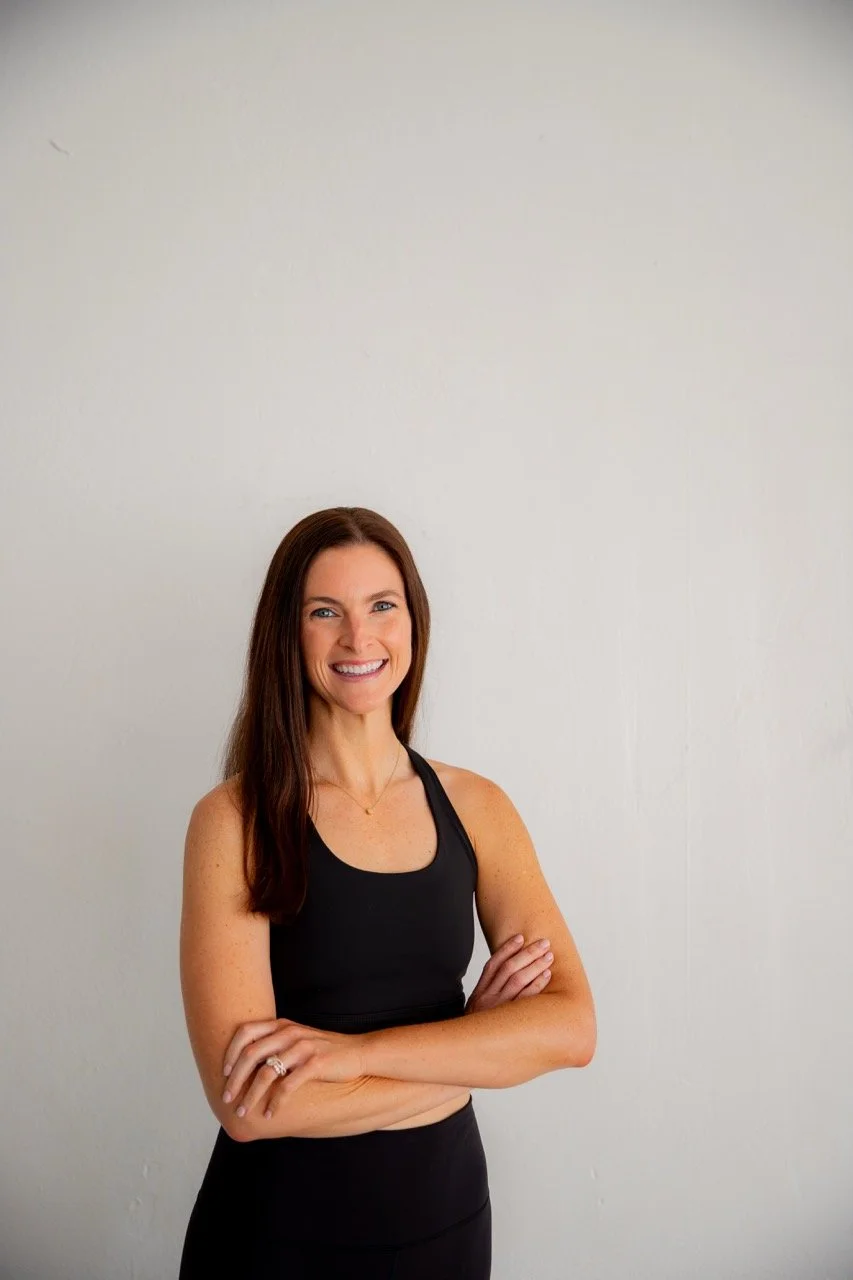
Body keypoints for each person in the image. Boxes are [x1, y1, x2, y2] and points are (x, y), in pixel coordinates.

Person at [178, 506, 596, 1278]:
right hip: (277, 1236)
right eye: (324, 612)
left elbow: (570, 1030)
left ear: (412, 622)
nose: (357, 638)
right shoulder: (233, 820)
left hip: (445, 1225)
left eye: (381, 606)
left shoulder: (478, 807)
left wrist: (352, 1056)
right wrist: (473, 1050)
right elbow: (250, 1110)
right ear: (287, 633)